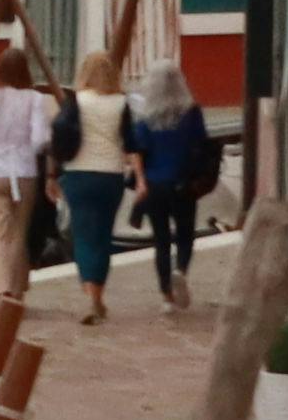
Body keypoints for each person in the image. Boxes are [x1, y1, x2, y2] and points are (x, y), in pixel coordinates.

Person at [130, 54, 219, 313]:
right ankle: (180, 268)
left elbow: (140, 151)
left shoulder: (145, 118)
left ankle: (166, 297)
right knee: (185, 235)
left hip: (156, 185)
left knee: (160, 240)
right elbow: (201, 143)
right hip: (184, 183)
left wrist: (140, 182)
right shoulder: (192, 113)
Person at [55, 48, 134, 328]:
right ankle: (98, 293)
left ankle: (89, 293)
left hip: (79, 174)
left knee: (83, 236)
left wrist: (53, 175)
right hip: (111, 175)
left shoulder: (76, 101)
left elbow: (59, 135)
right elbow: (130, 141)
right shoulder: (122, 103)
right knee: (103, 237)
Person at [0, 51, 55, 292]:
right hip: (24, 171)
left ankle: (1, 289)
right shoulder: (34, 99)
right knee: (18, 232)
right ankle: (17, 289)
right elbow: (40, 140)